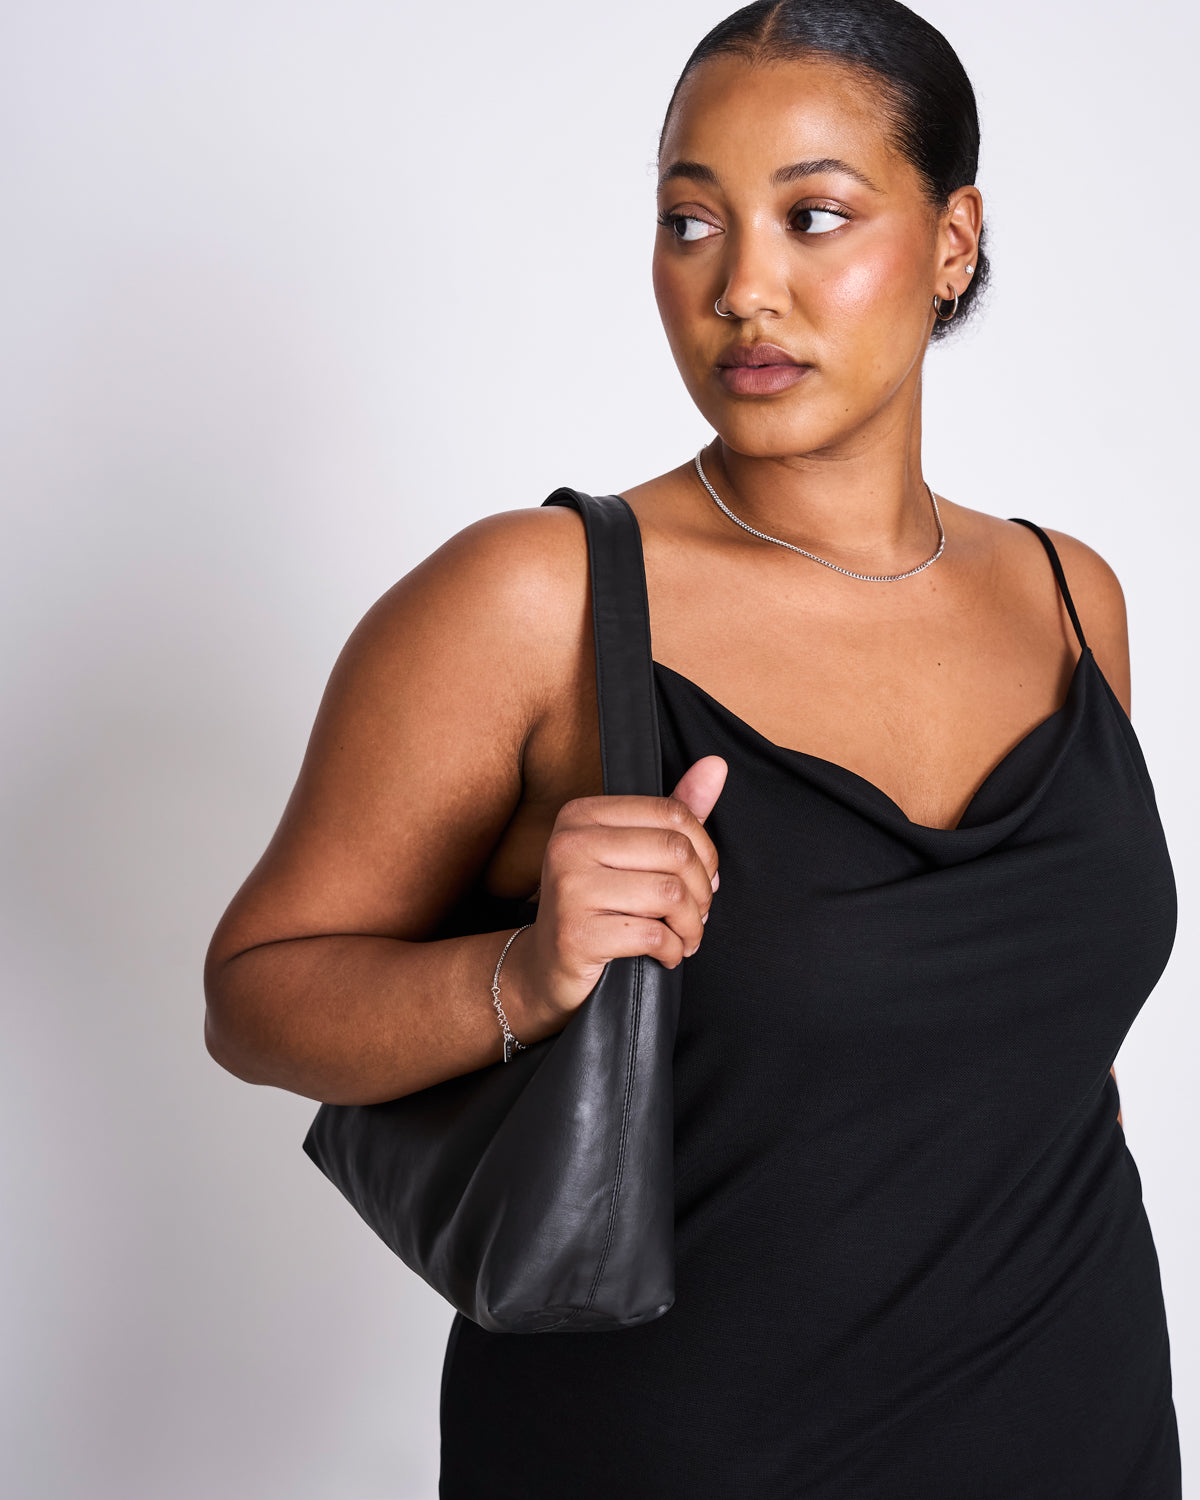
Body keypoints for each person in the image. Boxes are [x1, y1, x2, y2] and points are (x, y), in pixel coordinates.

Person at [203, 0, 1181, 1493]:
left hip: (1077, 1431)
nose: (742, 289)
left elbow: (1041, 1064)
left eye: (813, 216)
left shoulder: (1070, 596)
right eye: (691, 222)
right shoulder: (535, 597)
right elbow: (255, 996)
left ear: (953, 240)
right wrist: (523, 974)